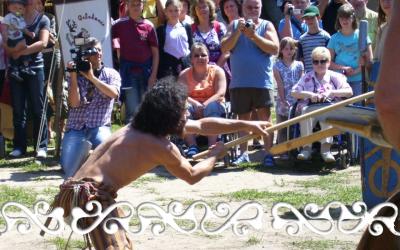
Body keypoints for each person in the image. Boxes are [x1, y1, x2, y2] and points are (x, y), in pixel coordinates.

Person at [47, 78, 271, 250]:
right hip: (89, 199)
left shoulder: (137, 126)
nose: (187, 113)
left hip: (74, 193)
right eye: (183, 110)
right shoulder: (159, 146)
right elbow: (192, 175)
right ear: (168, 115)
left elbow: (203, 126)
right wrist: (216, 155)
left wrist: (247, 124)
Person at [221, 0, 279, 167]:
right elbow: (225, 47)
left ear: (261, 8)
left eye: (256, 7)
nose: (253, 10)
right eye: (249, 7)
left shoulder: (267, 25)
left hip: (262, 82)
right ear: (242, 8)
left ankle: (269, 153)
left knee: (265, 120)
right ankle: (243, 153)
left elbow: (274, 48)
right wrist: (238, 32)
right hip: (240, 82)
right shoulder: (233, 25)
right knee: (242, 120)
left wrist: (253, 36)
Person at [60, 37, 121, 178]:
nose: (98, 54)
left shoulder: (111, 74)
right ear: (85, 56)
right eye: (94, 52)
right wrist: (74, 77)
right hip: (76, 128)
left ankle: (88, 158)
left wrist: (92, 77)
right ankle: (88, 158)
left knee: (108, 161)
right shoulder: (75, 73)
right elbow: (74, 103)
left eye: (100, 50)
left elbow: (113, 94)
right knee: (69, 168)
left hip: (99, 127)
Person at [4, 0, 50, 158]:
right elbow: (5, 41)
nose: (27, 4)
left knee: (38, 108)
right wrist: (12, 50)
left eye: (30, 2)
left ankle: (41, 146)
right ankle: (19, 146)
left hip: (35, 69)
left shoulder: (43, 19)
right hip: (15, 69)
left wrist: (21, 52)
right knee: (18, 109)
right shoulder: (12, 18)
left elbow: (43, 43)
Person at [291, 46, 353, 162]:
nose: (319, 64)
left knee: (325, 113)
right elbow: (294, 92)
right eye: (316, 61)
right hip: (310, 108)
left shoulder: (336, 77)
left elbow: (349, 92)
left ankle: (326, 150)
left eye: (323, 61)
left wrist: (331, 92)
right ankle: (306, 149)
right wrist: (309, 95)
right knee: (304, 112)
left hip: (330, 108)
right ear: (313, 63)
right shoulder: (307, 77)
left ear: (329, 62)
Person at [112, 0, 159, 124]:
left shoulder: (149, 26)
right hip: (129, 74)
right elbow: (105, 35)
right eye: (133, 4)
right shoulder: (119, 24)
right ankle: (131, 142)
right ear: (127, 6)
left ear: (142, 6)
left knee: (147, 109)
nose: (136, 7)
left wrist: (153, 75)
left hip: (146, 74)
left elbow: (155, 53)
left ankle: (148, 141)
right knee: (132, 111)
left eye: (138, 4)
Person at [178, 43, 226, 157]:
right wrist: (195, 104)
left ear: (208, 58)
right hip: (192, 106)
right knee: (182, 107)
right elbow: (181, 95)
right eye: (196, 55)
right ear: (191, 59)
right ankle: (192, 146)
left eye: (203, 55)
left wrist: (204, 105)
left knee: (212, 107)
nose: (200, 58)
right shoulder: (184, 75)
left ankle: (212, 146)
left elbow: (220, 93)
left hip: (213, 106)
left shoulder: (217, 71)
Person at [273, 37, 304, 147]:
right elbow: (280, 84)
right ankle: (282, 149)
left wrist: (300, 98)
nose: (289, 51)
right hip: (284, 98)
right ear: (281, 50)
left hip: (297, 99)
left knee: (297, 125)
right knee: (282, 126)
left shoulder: (299, 65)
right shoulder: (277, 65)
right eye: (286, 49)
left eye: (291, 48)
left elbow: (301, 83)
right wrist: (282, 99)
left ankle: (297, 147)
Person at [156, 0, 193, 78]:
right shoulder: (161, 30)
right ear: (165, 12)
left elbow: (191, 46)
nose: (173, 13)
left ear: (180, 10)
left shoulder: (186, 27)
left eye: (176, 10)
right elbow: (159, 51)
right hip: (169, 67)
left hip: (186, 65)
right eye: (170, 11)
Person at [2, 0, 36, 82]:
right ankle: (15, 69)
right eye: (14, 8)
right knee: (16, 53)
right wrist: (5, 36)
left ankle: (25, 67)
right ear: (9, 8)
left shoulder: (20, 18)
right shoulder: (8, 17)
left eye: (20, 8)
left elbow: (23, 29)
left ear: (23, 10)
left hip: (19, 38)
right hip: (12, 39)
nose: (17, 10)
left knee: (24, 50)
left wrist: (29, 33)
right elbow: (4, 27)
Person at [297, 5, 331, 72]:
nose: (309, 20)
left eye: (312, 17)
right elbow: (301, 59)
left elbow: (330, 57)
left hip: (324, 73)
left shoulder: (326, 36)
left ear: (318, 17)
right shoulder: (302, 39)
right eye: (307, 18)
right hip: (309, 75)